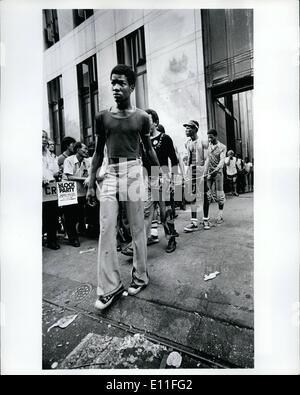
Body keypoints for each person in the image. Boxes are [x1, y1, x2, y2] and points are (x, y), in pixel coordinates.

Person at [86, 64, 159, 310]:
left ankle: (140, 276)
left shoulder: (142, 118)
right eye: (113, 82)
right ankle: (110, 287)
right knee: (106, 228)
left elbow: (148, 150)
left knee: (138, 227)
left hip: (134, 171)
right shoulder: (102, 117)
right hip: (110, 172)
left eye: (121, 83)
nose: (116, 87)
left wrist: (160, 176)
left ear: (131, 86)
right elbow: (97, 153)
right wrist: (89, 182)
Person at [122, 109, 179, 254]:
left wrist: (173, 179)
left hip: (162, 177)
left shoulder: (165, 138)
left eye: (147, 120)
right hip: (147, 177)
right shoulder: (141, 141)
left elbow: (174, 160)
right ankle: (138, 244)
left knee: (165, 211)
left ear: (155, 122)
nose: (144, 124)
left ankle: (171, 238)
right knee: (146, 211)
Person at [63, 142, 90, 247]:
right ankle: (72, 238)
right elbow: (69, 177)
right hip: (69, 192)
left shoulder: (87, 162)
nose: (86, 151)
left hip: (81, 192)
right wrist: (85, 179)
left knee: (80, 214)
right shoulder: (68, 160)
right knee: (70, 216)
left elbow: (89, 173)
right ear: (77, 149)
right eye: (84, 149)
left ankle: (78, 233)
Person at [183, 120, 207, 232]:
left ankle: (206, 219)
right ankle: (194, 222)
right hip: (192, 170)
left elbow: (207, 159)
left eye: (189, 128)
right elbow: (188, 159)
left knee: (205, 195)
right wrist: (187, 173)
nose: (186, 130)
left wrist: (204, 173)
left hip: (202, 169)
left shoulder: (203, 141)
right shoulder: (187, 143)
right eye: (186, 128)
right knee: (192, 195)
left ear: (195, 129)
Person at [203, 128, 227, 226]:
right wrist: (205, 172)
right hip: (209, 173)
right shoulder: (208, 146)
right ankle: (206, 218)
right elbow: (207, 160)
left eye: (211, 137)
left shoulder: (222, 147)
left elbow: (222, 160)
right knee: (207, 195)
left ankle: (220, 215)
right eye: (208, 138)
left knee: (219, 195)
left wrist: (217, 169)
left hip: (218, 173)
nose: (209, 139)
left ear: (216, 136)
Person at [42, 130, 62, 250]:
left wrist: (56, 174)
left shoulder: (49, 154)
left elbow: (54, 169)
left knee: (53, 214)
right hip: (39, 187)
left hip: (51, 187)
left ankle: (52, 240)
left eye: (45, 137)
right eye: (41, 137)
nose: (44, 139)